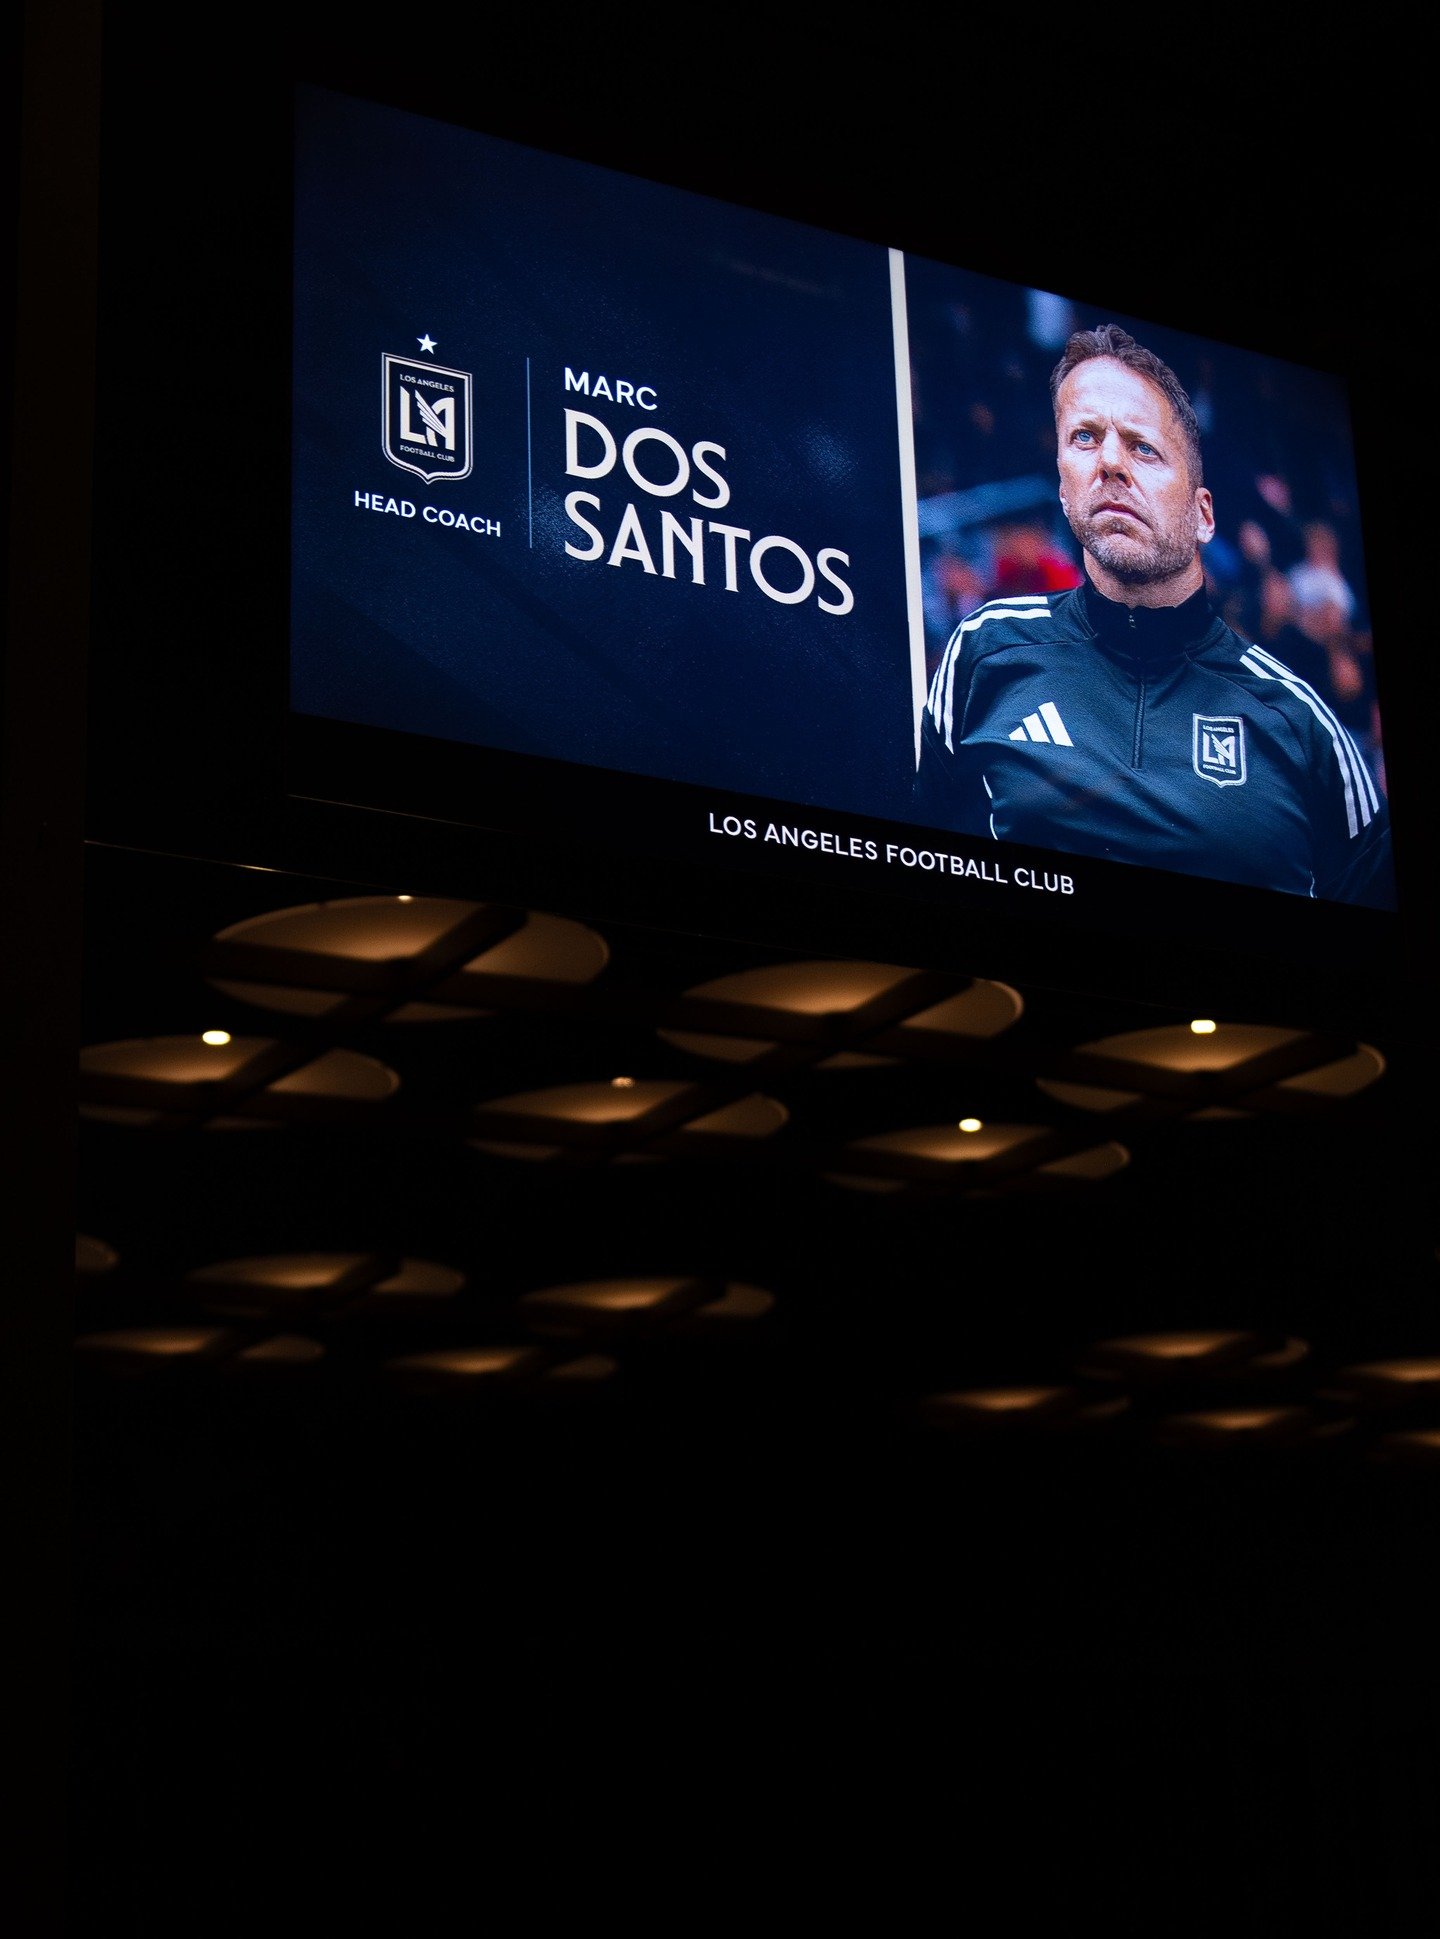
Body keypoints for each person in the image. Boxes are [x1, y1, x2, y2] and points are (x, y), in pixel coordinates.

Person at [912, 324, 1394, 909]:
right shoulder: (984, 651)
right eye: (1085, 438)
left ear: (1203, 515)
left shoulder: (1301, 725)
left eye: (1143, 447)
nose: (1111, 461)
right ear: (1064, 490)